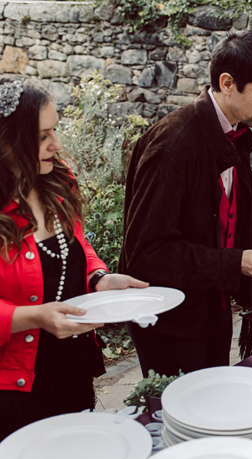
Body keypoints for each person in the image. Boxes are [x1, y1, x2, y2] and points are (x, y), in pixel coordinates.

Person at [118, 30, 252, 378]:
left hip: (210, 307)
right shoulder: (172, 145)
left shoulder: (234, 133)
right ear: (227, 83)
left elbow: (232, 225)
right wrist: (235, 262)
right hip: (169, 320)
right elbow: (146, 254)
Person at [0, 80, 147, 440]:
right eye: (42, 136)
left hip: (71, 366)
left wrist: (99, 279)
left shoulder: (58, 183)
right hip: (13, 388)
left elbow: (77, 247)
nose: (57, 145)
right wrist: (33, 316)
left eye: (55, 131)